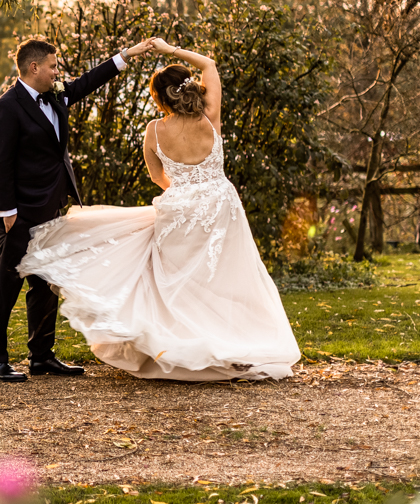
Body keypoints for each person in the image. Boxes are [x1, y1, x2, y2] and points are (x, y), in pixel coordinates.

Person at [16, 37, 300, 381]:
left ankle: (182, 346)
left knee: (178, 285)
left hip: (178, 212)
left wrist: (185, 194)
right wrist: (169, 50)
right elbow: (209, 64)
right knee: (225, 280)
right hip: (221, 208)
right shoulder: (210, 118)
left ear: (160, 99)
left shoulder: (154, 131)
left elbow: (158, 177)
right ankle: (233, 344)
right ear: (188, 89)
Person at [0, 36, 156, 382]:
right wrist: (7, 213)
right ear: (35, 68)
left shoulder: (57, 95)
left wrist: (125, 56)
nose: (57, 72)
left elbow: (88, 82)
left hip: (52, 209)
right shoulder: (7, 107)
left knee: (46, 284)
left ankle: (42, 356)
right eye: (53, 66)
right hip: (18, 214)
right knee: (8, 284)